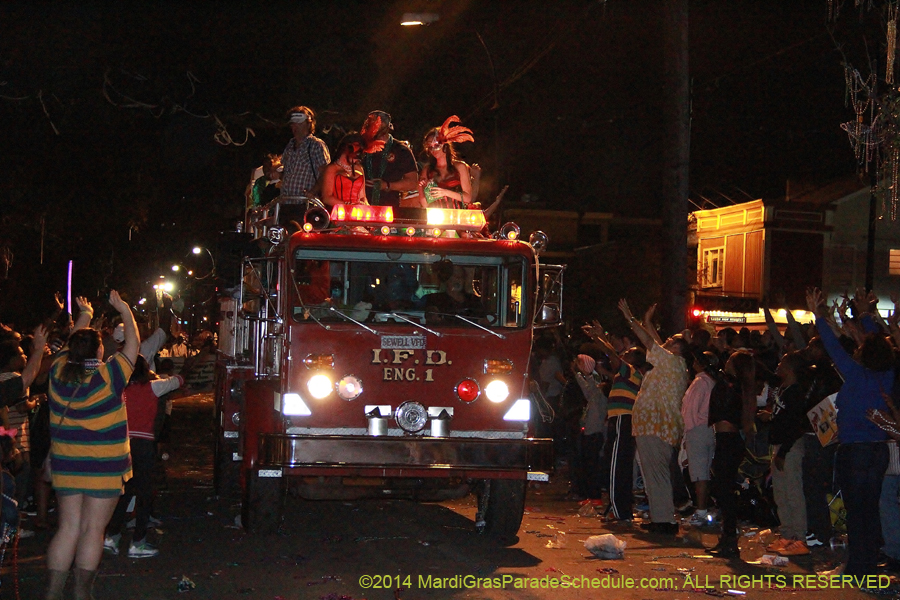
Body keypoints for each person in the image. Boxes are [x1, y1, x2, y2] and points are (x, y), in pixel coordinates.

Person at [44, 290, 138, 600]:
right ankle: (82, 592)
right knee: (92, 530)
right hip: (104, 466)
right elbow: (134, 344)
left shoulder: (57, 371)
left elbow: (74, 341)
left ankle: (53, 592)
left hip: (67, 463)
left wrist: (84, 315)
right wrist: (124, 309)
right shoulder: (109, 376)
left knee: (68, 528)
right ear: (100, 351)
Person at [807, 287, 892, 577]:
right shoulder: (888, 376)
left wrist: (819, 316)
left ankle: (857, 567)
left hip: (855, 449)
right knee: (870, 511)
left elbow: (832, 346)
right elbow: (877, 343)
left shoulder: (856, 374)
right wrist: (866, 315)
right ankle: (867, 563)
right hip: (878, 450)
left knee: (857, 513)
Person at [618, 300, 691, 535]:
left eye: (671, 342)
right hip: (656, 426)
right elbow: (656, 344)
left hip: (656, 426)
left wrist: (631, 318)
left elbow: (651, 343)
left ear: (678, 348)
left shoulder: (672, 362)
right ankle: (662, 517)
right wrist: (648, 322)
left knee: (656, 474)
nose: (665, 343)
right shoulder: (672, 364)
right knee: (654, 474)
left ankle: (664, 521)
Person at [104, 355, 183, 558]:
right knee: (145, 493)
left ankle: (112, 536)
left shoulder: (118, 389)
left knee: (125, 491)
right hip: (144, 444)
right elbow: (178, 381)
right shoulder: (153, 387)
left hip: (122, 443)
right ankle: (138, 541)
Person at [581, 319, 646, 522]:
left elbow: (614, 356)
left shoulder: (631, 371)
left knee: (616, 466)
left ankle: (618, 510)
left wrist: (598, 337)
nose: (623, 355)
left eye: (628, 354)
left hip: (622, 420)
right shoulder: (628, 375)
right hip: (621, 420)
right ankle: (619, 508)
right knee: (618, 465)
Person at [707, 350, 756, 557]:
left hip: (728, 441)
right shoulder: (739, 387)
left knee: (724, 491)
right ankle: (728, 537)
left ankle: (729, 539)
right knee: (723, 490)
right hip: (728, 440)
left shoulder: (731, 385)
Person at [764, 350, 812, 556]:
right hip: (780, 445)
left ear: (791, 368)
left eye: (782, 362)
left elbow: (795, 425)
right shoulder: (785, 389)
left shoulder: (796, 392)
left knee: (792, 491)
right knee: (781, 493)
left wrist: (783, 452)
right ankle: (787, 534)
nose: (779, 365)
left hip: (789, 447)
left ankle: (799, 537)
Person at [681, 350, 719, 527]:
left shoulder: (700, 382)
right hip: (708, 429)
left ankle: (701, 511)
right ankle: (704, 508)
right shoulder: (712, 382)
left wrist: (686, 430)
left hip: (697, 429)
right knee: (704, 471)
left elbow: (690, 410)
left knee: (698, 474)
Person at [360, 110, 418, 207]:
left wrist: (387, 185)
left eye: (375, 122)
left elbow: (412, 183)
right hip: (361, 206)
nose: (371, 126)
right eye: (369, 122)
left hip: (389, 207)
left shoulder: (401, 150)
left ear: (385, 125)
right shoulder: (362, 146)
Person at [416, 116, 474, 209]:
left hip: (457, 217)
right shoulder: (428, 170)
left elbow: (467, 198)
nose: (433, 149)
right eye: (430, 147)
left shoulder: (460, 166)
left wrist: (445, 192)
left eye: (436, 145)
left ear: (445, 145)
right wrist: (421, 187)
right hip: (436, 218)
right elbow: (425, 204)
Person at [280, 106, 330, 198]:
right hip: (286, 201)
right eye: (293, 124)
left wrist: (312, 192)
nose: (295, 126)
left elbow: (326, 173)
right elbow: (285, 172)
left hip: (305, 202)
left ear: (308, 124)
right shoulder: (290, 145)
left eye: (299, 123)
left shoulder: (316, 145)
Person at [320, 133, 368, 207]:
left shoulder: (359, 168)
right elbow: (326, 197)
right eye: (356, 154)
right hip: (339, 213)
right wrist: (348, 206)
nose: (357, 159)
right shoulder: (332, 169)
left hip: (358, 214)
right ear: (346, 149)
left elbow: (362, 197)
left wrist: (366, 206)